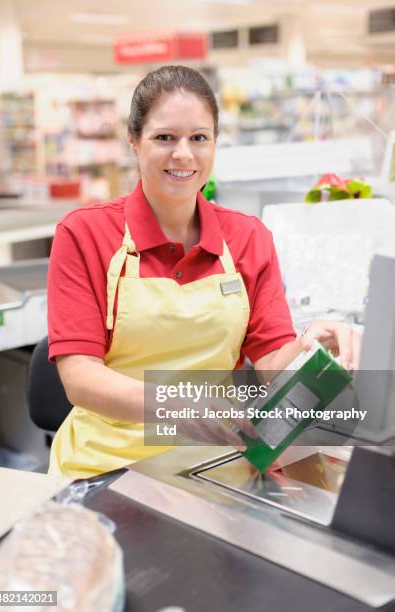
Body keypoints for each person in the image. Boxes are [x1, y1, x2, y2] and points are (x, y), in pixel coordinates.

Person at [47, 65, 359, 478]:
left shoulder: (248, 236)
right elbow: (80, 379)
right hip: (103, 466)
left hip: (212, 460)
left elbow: (270, 363)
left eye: (199, 138)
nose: (183, 154)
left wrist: (312, 350)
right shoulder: (85, 233)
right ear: (133, 141)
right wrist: (178, 405)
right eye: (164, 137)